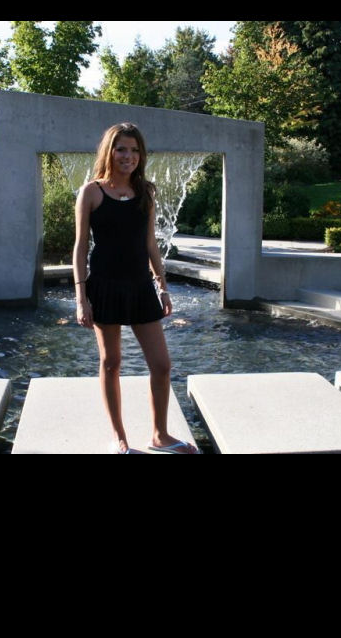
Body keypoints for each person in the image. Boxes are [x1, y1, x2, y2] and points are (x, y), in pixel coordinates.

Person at [73, 122, 199, 454]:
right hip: (104, 286)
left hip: (141, 286)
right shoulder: (92, 192)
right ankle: (120, 438)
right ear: (109, 152)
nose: (127, 156)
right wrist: (81, 298)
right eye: (121, 149)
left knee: (161, 364)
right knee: (111, 362)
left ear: (140, 155)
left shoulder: (146, 192)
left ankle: (160, 435)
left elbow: (150, 244)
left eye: (134, 150)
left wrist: (162, 286)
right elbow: (80, 247)